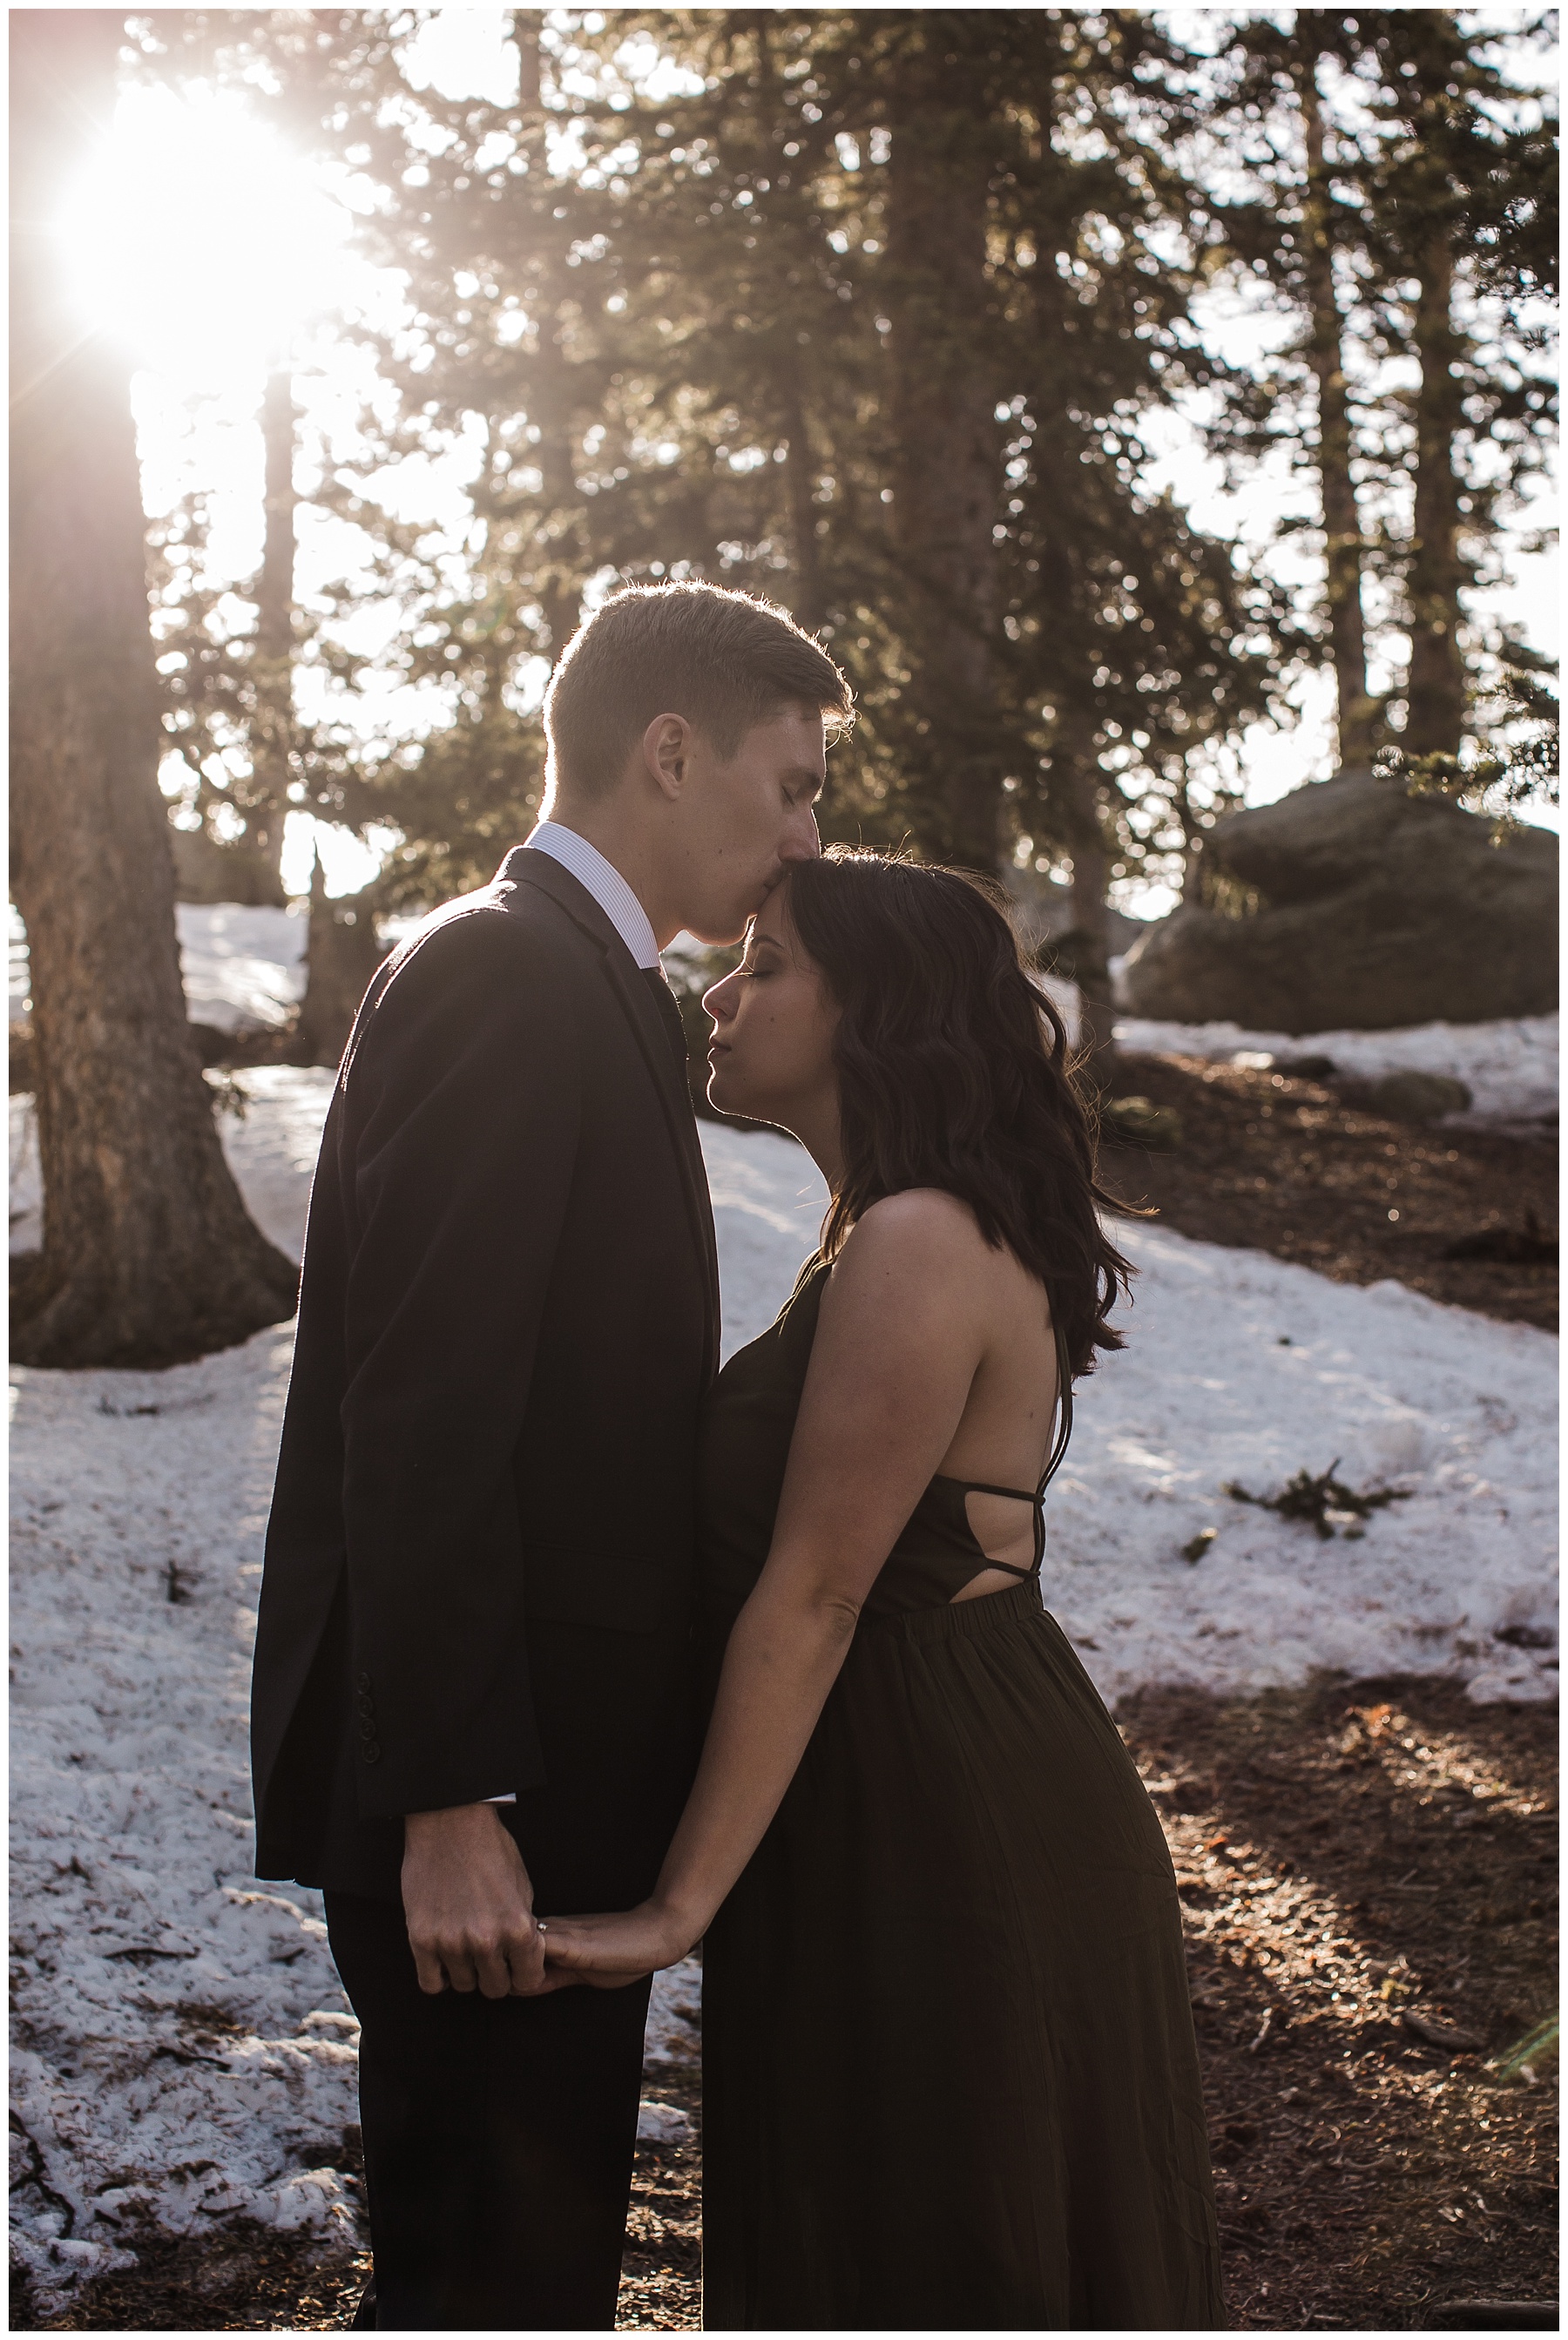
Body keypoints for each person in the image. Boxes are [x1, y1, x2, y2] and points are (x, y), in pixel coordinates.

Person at [247, 581, 853, 2330]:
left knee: (525, 2279)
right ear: (670, 753)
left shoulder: (586, 975)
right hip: (488, 1806)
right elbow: (425, 1406)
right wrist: (450, 1798)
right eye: (792, 784)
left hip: (541, 1783)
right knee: (483, 2288)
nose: (808, 830)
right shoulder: (507, 974)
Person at [542, 849, 1226, 2330]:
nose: (719, 992)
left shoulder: (918, 1237)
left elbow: (814, 1598)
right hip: (899, 1770)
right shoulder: (885, 1224)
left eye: (768, 963)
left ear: (882, 1011)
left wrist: (675, 1907)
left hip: (940, 1800)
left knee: (936, 2243)